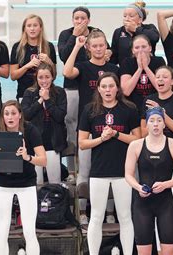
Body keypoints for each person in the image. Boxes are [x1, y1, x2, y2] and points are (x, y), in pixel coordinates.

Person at [78, 72, 140, 255]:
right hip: (98, 172)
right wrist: (101, 138)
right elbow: (82, 143)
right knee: (96, 216)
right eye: (103, 86)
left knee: (125, 216)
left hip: (124, 172)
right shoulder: (89, 110)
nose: (107, 90)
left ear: (117, 88)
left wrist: (115, 134)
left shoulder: (128, 109)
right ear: (98, 89)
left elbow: (137, 139)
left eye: (111, 86)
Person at [63, 30, 119, 225]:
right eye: (94, 45)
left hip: (111, 126)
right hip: (88, 126)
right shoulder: (83, 67)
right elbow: (66, 72)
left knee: (112, 171)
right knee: (84, 172)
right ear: (88, 48)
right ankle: (82, 213)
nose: (98, 49)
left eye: (101, 45)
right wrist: (77, 46)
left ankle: (110, 212)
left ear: (106, 47)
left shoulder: (113, 68)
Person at [0, 100, 46, 255]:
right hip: (3, 184)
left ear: (20, 115)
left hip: (26, 184)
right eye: (6, 113)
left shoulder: (30, 130)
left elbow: (43, 160)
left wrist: (28, 157)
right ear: (2, 116)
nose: (10, 117)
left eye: (13, 113)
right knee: (2, 230)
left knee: (29, 231)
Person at [124, 107, 173, 255]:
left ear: (164, 124)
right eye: (152, 121)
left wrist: (166, 184)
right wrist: (138, 187)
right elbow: (128, 175)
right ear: (146, 124)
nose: (156, 124)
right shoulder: (136, 145)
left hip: (165, 204)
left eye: (159, 120)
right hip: (142, 205)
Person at [141, 66, 173, 255]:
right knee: (156, 213)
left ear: (172, 81)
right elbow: (143, 131)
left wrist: (162, 114)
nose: (160, 79)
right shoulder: (148, 101)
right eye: (158, 76)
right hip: (152, 162)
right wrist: (153, 120)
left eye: (165, 76)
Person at [58, 6, 106, 160]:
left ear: (88, 20)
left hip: (92, 86)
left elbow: (105, 54)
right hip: (72, 86)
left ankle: (95, 159)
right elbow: (64, 57)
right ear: (72, 20)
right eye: (76, 18)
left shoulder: (96, 32)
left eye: (82, 18)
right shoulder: (66, 34)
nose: (79, 21)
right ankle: (72, 168)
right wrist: (74, 37)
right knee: (72, 125)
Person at [22, 62, 67, 184]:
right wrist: (40, 100)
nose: (44, 80)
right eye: (41, 77)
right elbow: (26, 115)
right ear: (36, 78)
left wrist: (47, 100)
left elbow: (60, 116)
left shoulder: (59, 92)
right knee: (37, 181)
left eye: (47, 77)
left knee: (55, 181)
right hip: (35, 143)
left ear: (52, 77)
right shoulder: (29, 93)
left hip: (53, 142)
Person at [10, 14, 56, 101]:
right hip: (23, 94)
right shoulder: (17, 47)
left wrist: (49, 62)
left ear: (40, 28)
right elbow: (13, 76)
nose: (32, 28)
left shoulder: (49, 46)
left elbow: (54, 75)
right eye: (29, 26)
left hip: (45, 94)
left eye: (35, 25)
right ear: (24, 29)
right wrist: (27, 66)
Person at [120, 34, 166, 112]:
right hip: (133, 107)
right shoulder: (127, 62)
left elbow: (162, 87)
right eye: (137, 47)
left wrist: (146, 68)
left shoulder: (159, 61)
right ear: (133, 50)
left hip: (155, 106)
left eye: (144, 47)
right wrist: (140, 69)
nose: (140, 50)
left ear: (150, 48)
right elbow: (126, 91)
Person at [110, 1, 160, 66]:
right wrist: (109, 53)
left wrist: (135, 29)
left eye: (131, 16)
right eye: (125, 16)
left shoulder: (149, 28)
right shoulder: (118, 32)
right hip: (126, 71)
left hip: (147, 68)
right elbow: (115, 55)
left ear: (140, 19)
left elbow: (154, 38)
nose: (127, 19)